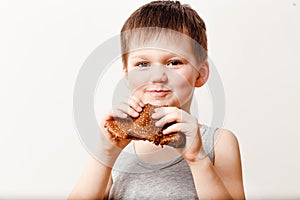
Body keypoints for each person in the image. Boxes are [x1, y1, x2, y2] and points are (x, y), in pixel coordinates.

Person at [69, 1, 245, 199]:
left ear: (200, 74)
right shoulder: (118, 149)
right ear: (127, 75)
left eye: (174, 62)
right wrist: (105, 153)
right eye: (143, 64)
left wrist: (198, 158)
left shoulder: (218, 143)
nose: (158, 76)